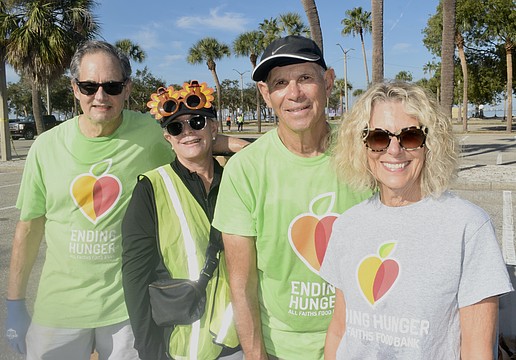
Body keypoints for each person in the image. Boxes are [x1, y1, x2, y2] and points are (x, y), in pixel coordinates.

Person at [4, 40, 247, 359]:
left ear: (127, 88)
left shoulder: (150, 134)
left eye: (112, 86)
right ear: (75, 88)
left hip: (126, 313)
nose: (100, 96)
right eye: (89, 86)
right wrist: (15, 303)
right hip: (57, 310)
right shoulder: (45, 147)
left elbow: (189, 142)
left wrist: (230, 144)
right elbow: (29, 228)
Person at [321, 81, 514, 359]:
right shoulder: (347, 226)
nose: (395, 150)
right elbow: (340, 330)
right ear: (362, 145)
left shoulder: (468, 226)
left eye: (410, 136)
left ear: (429, 143)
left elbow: (477, 350)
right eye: (379, 137)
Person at [212, 35, 371, 359]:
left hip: (359, 341)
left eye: (305, 78)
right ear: (265, 94)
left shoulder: (366, 153)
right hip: (279, 348)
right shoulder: (245, 170)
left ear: (328, 82)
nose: (294, 93)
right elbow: (241, 286)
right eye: (280, 82)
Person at [121, 81, 241, 360]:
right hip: (181, 345)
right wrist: (148, 349)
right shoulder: (151, 188)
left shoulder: (237, 180)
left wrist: (232, 144)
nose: (187, 131)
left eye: (197, 122)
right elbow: (135, 276)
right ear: (168, 138)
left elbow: (272, 158)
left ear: (214, 127)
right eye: (176, 127)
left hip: (240, 340)